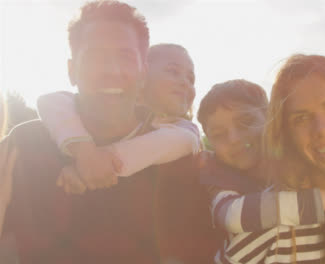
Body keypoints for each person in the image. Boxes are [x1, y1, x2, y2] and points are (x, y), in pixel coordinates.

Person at [0, 1, 161, 263]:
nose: (111, 71)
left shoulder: (175, 159)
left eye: (125, 56)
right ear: (71, 70)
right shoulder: (24, 146)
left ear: (143, 71)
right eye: (95, 56)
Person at [35, 43, 222, 263]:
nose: (185, 82)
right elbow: (51, 100)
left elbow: (172, 143)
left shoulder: (184, 130)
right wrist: (83, 150)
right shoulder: (112, 114)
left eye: (191, 78)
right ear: (140, 77)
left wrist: (92, 166)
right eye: (173, 71)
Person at [196, 78, 325, 263]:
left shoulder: (298, 150)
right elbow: (232, 216)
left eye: (246, 122)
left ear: (271, 119)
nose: (234, 139)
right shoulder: (217, 175)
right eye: (219, 134)